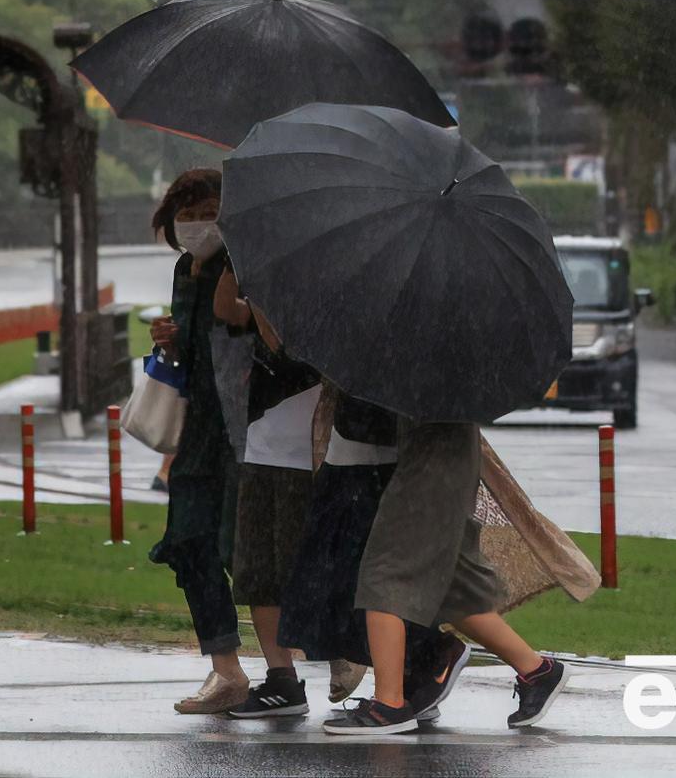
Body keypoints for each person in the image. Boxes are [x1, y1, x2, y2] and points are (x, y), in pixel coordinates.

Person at [323, 418, 570, 735]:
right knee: (454, 585)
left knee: (385, 574)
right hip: (441, 459)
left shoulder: (431, 377)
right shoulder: (447, 382)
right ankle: (537, 671)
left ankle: (389, 706)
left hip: (430, 465)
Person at [278, 389, 469, 720]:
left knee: (379, 582)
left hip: (377, 465)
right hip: (363, 459)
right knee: (363, 584)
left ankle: (406, 685)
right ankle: (411, 678)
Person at [146, 169, 248, 714]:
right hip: (199, 428)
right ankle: (225, 668)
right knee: (188, 540)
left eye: (205, 213)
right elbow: (192, 352)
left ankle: (331, 652)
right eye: (185, 217)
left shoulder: (245, 264)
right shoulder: (186, 269)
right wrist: (169, 339)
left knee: (246, 548)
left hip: (244, 428)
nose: (195, 226)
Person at [215, 297, 321, 719]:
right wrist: (231, 256)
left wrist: (262, 303)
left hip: (311, 454)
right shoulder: (263, 276)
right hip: (261, 446)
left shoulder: (331, 291)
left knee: (316, 573)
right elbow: (226, 309)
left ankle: (406, 671)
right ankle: (282, 679)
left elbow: (283, 348)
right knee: (258, 570)